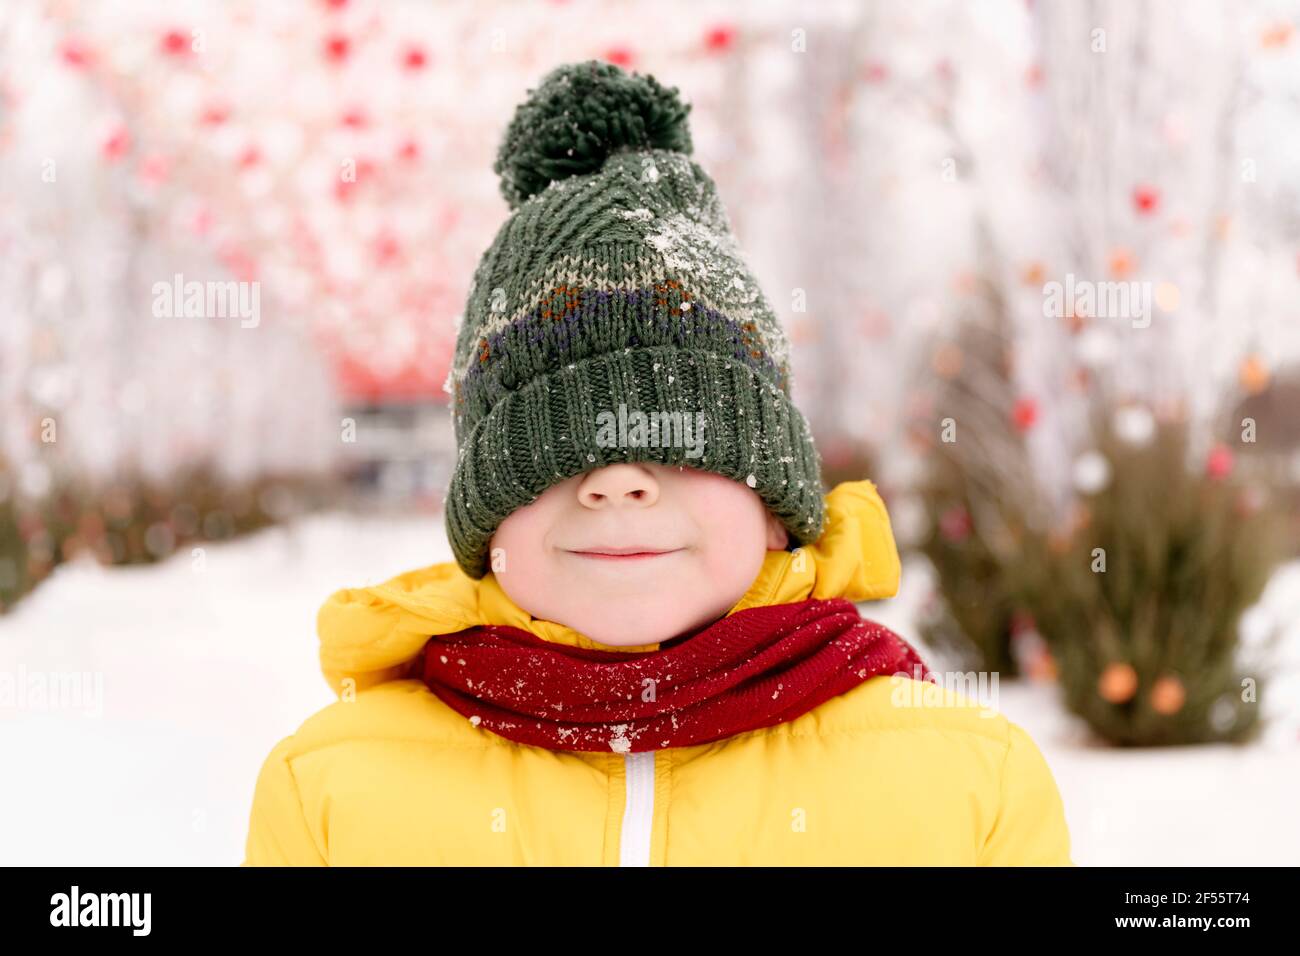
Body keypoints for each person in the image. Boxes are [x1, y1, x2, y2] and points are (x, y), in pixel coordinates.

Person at [242, 59, 1072, 866]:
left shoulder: (965, 784)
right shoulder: (334, 790)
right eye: (550, 452)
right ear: (486, 511)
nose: (615, 480)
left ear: (776, 502)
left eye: (681, 439)